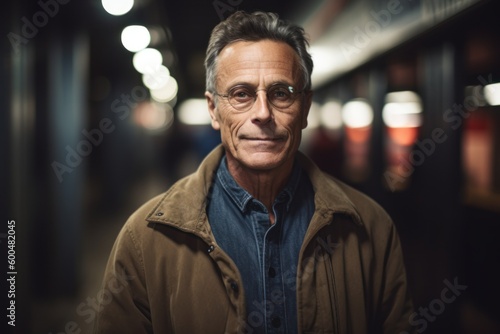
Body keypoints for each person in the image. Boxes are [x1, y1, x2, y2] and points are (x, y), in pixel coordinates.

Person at [93, 11, 415, 334]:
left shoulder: (371, 230)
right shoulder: (145, 240)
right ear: (213, 110)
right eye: (241, 94)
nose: (263, 113)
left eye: (281, 93)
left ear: (304, 108)